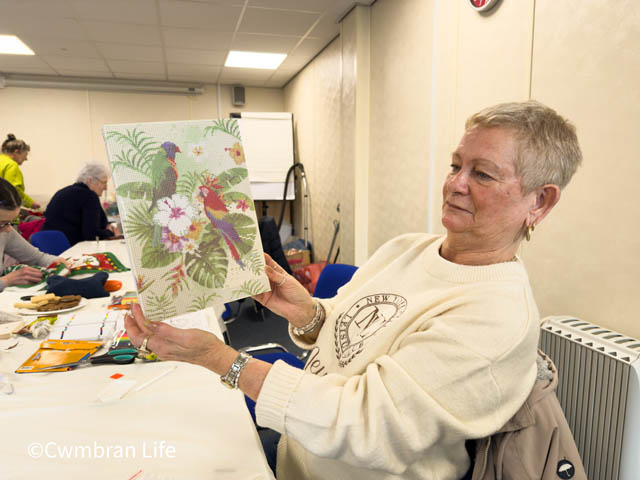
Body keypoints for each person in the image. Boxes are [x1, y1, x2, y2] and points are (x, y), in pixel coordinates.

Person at [124, 100, 583, 480]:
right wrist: (307, 313)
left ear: (539, 202)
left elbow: (367, 423)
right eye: (455, 165)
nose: (455, 184)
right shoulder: (408, 248)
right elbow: (352, 334)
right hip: (298, 452)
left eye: (482, 174)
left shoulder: (496, 316)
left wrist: (219, 359)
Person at [0, 178, 66, 292]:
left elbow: (37, 258)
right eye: (1, 223)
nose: (8, 228)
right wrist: (6, 281)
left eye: (12, 221)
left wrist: (64, 263)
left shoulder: (5, 232)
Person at [41, 163, 117, 247]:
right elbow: (91, 234)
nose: (106, 188)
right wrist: (110, 232)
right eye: (104, 183)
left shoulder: (64, 191)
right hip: (71, 248)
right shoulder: (89, 196)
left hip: (51, 246)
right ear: (90, 181)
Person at [0, 134, 40, 209]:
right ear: (16, 152)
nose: (26, 159)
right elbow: (13, 190)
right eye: (25, 155)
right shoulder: (11, 165)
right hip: (4, 212)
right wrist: (31, 203)